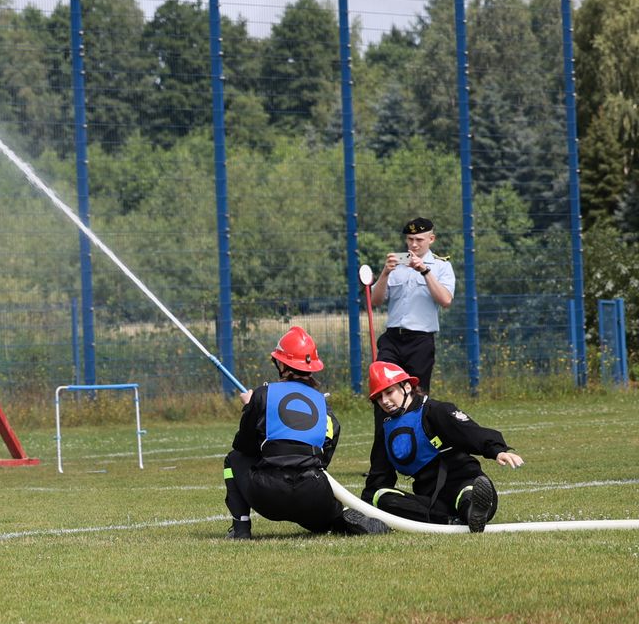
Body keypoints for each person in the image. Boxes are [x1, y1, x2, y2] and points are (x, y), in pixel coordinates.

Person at [223, 327, 386, 541]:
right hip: (313, 492)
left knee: (232, 460)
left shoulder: (263, 395)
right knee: (319, 517)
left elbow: (243, 446)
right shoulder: (323, 404)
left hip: (268, 494)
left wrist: (249, 407)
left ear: (281, 364)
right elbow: (324, 456)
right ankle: (337, 518)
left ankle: (241, 529)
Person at [362, 361, 523, 531]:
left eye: (389, 392)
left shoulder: (434, 410)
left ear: (407, 387)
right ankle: (449, 521)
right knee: (380, 496)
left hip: (463, 481)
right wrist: (363, 508)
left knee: (470, 496)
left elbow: (468, 431)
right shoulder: (386, 430)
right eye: (379, 397)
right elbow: (378, 477)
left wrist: (497, 450)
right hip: (430, 499)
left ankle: (473, 513)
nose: (385, 401)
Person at [367, 216, 455, 391]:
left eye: (419, 240)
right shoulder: (396, 264)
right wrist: (385, 273)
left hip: (420, 340)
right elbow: (375, 301)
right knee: (384, 387)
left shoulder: (441, 266)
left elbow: (445, 300)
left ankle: (416, 419)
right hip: (392, 338)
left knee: (417, 393)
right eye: (410, 239)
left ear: (431, 239)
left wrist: (425, 271)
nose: (414, 245)